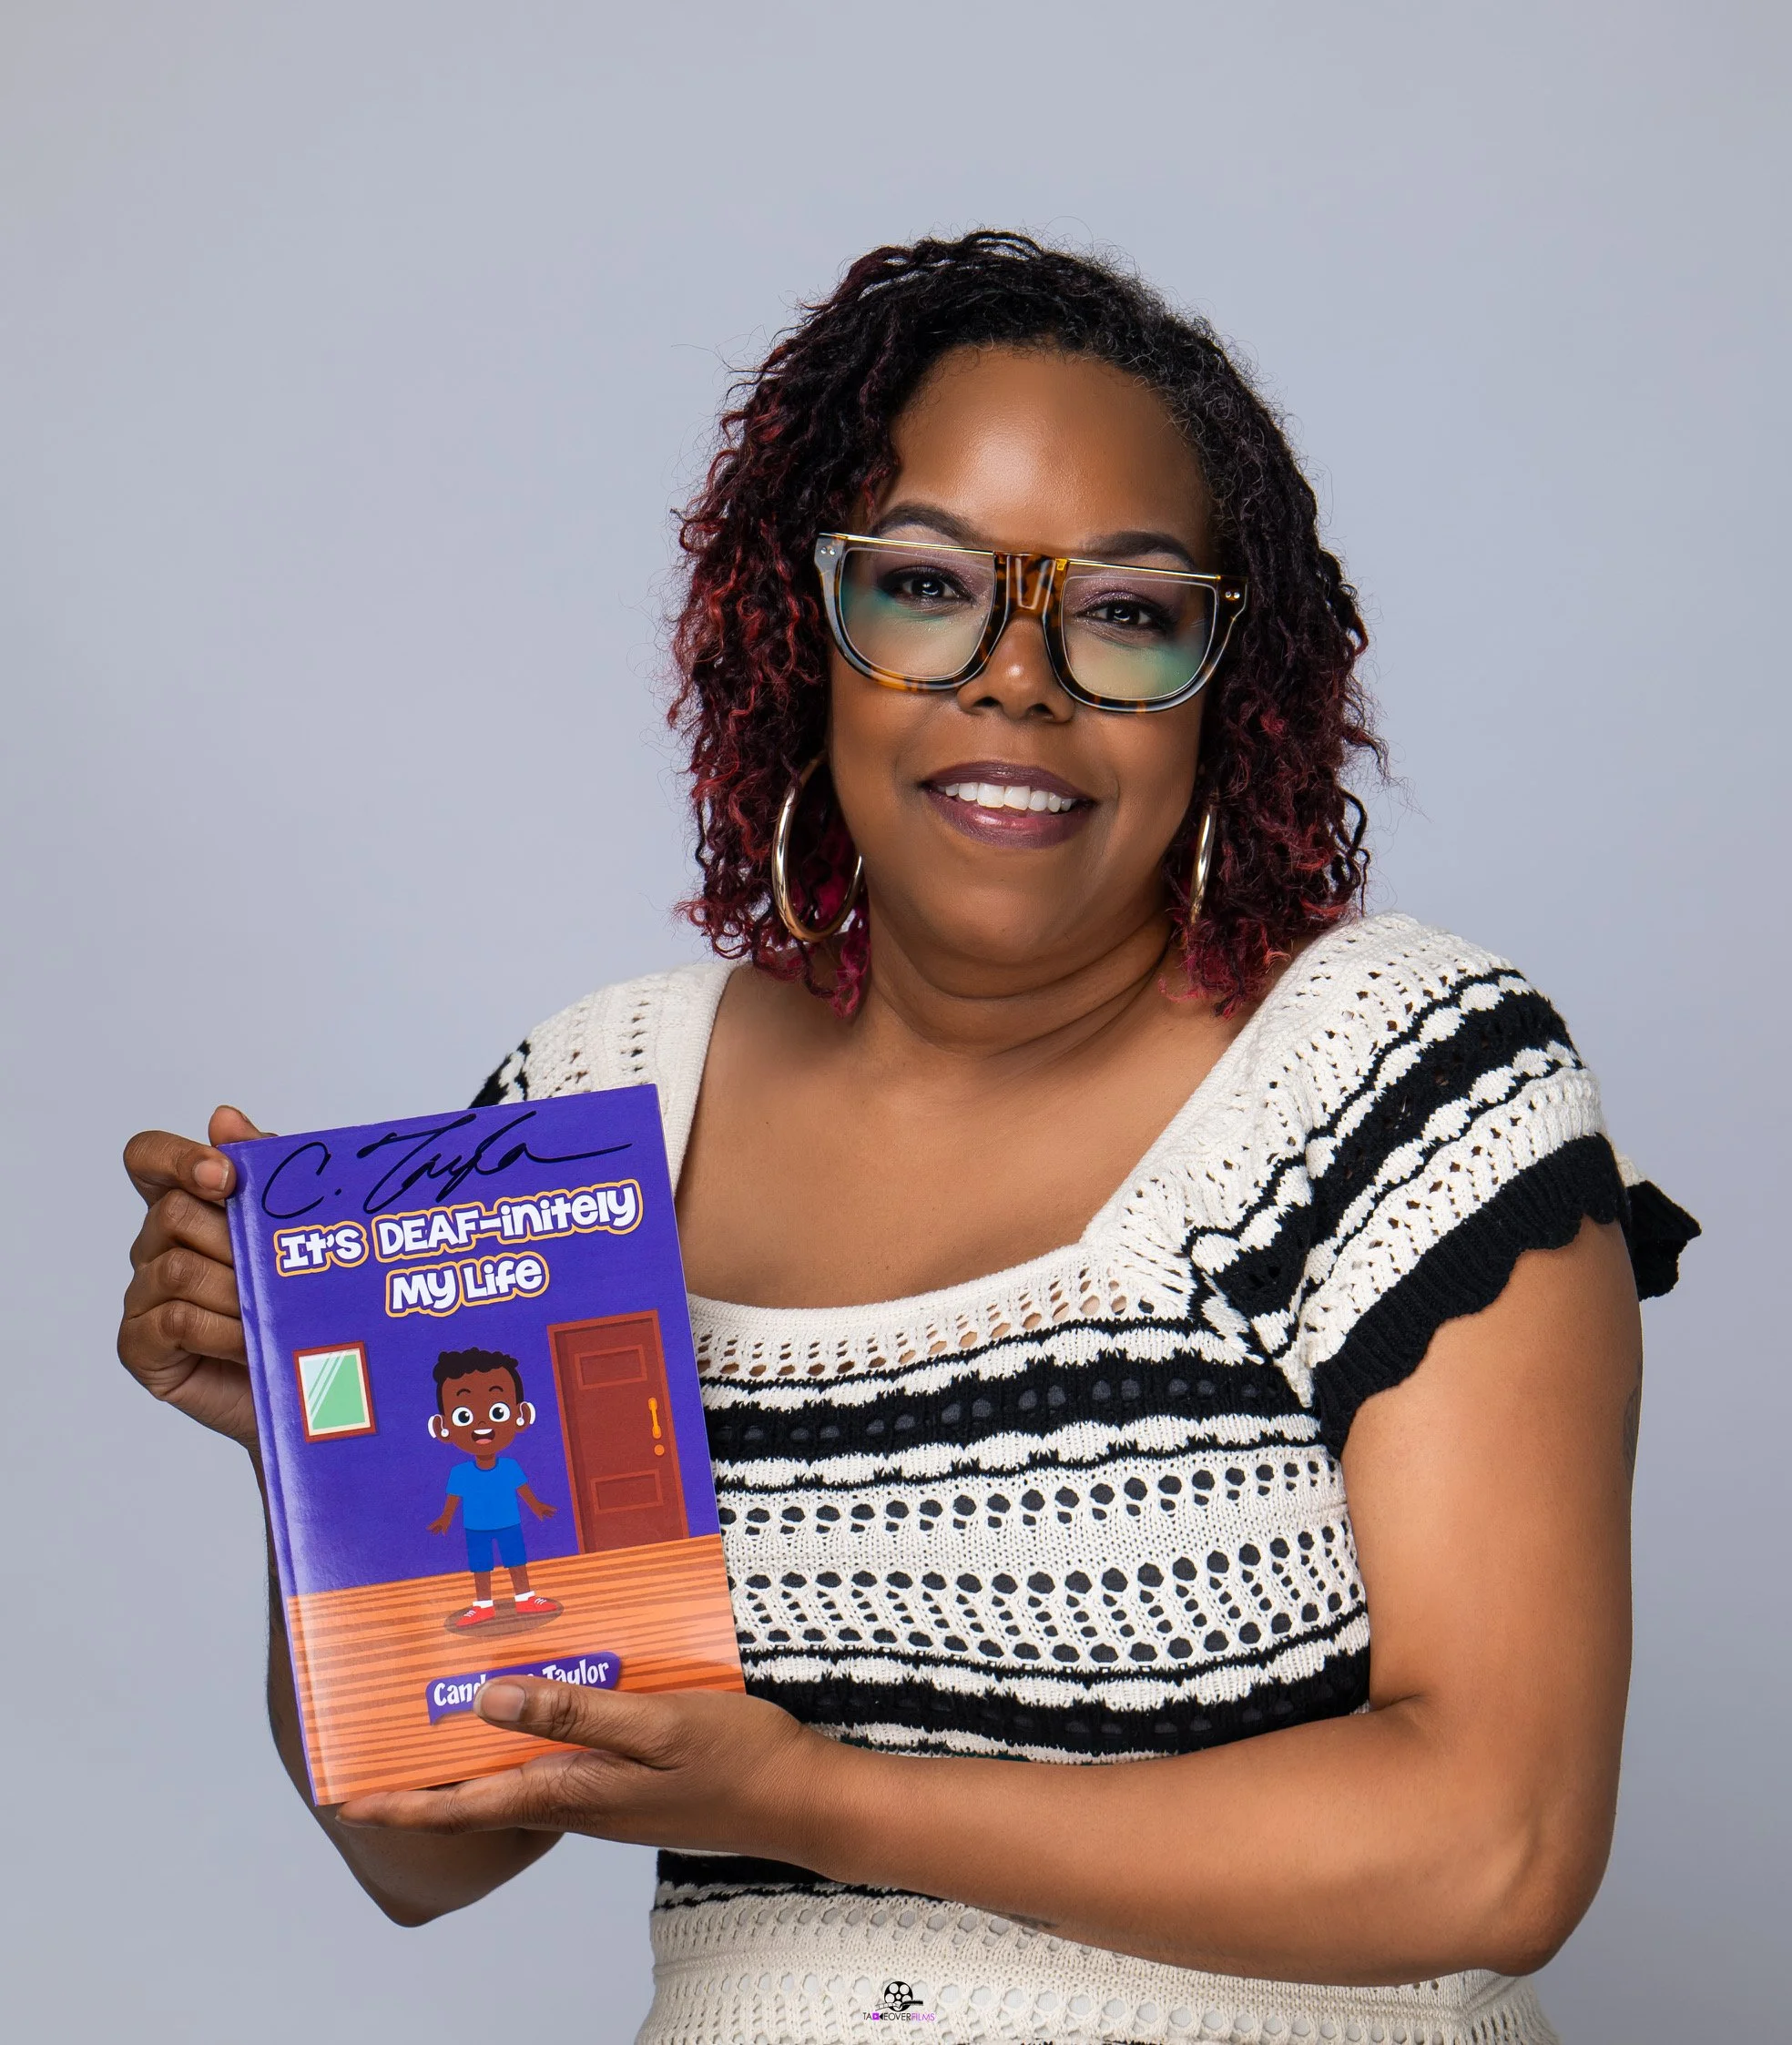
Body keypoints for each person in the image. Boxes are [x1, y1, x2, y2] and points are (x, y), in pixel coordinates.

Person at [118, 232, 1696, 2045]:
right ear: (809, 635)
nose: (1017, 678)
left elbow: (1500, 1843)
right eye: (928, 586)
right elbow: (428, 1850)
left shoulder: (1401, 1077)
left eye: (1125, 610)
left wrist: (806, 1797)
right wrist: (313, 1459)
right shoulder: (581, 1127)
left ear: (1223, 687)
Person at [426, 1348, 562, 1629]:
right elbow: (454, 1499)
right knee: (480, 1566)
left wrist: (537, 1507)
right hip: (476, 1527)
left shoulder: (510, 1467)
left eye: (497, 1411)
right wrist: (444, 1519)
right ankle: (483, 1605)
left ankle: (525, 1597)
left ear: (520, 1415)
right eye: (464, 1416)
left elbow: (522, 1491)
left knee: (516, 1560)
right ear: (443, 1428)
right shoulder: (460, 1472)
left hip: (508, 1523)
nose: (482, 1423)